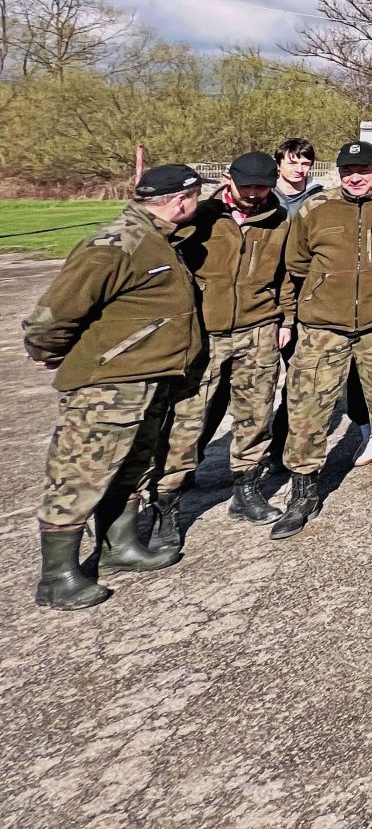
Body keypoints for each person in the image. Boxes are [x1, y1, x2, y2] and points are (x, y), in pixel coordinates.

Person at [22, 165, 206, 610]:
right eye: (196, 197)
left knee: (132, 466)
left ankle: (118, 548)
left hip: (149, 380)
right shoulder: (116, 243)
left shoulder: (161, 238)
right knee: (80, 473)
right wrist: (47, 349)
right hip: (107, 386)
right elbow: (53, 316)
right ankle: (57, 577)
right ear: (181, 200)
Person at [272, 140, 372, 539]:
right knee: (307, 405)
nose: (355, 177)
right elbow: (296, 264)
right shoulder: (316, 207)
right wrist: (303, 305)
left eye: (363, 169)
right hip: (323, 325)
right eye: (347, 171)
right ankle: (302, 491)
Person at [157, 152, 290, 539]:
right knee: (187, 418)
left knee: (255, 415)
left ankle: (246, 489)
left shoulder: (280, 220)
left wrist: (286, 318)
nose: (253, 193)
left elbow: (287, 275)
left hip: (259, 330)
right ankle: (167, 502)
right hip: (205, 332)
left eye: (261, 186)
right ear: (227, 179)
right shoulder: (200, 216)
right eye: (245, 185)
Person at [273, 137, 322, 214]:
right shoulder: (264, 194)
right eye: (292, 164)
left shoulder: (320, 196)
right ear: (278, 165)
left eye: (305, 164)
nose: (299, 170)